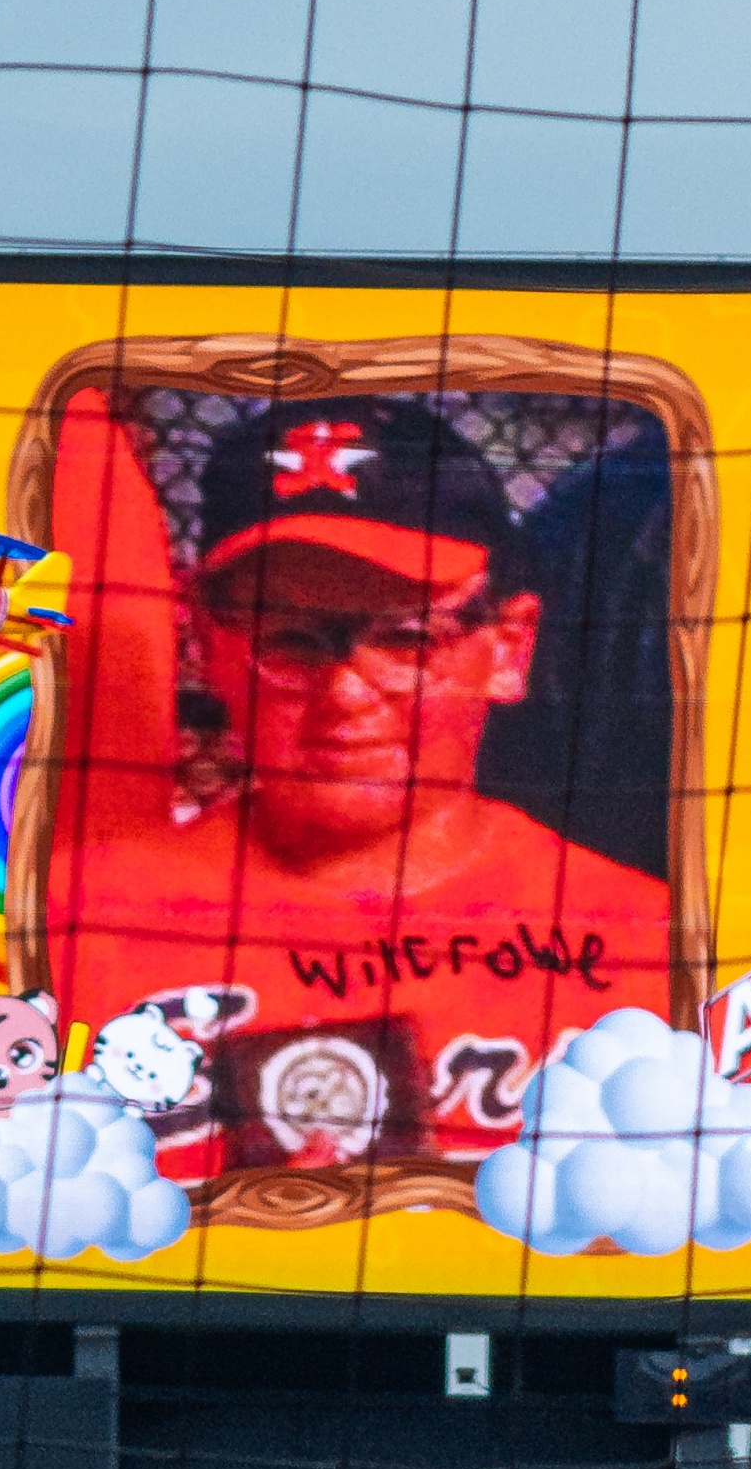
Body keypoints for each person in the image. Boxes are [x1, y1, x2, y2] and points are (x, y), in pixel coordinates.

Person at [42, 393, 674, 1168]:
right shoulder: (80, 932)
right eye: (290, 639)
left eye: (407, 638)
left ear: (509, 649)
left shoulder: (647, 946)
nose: (344, 692)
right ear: (206, 644)